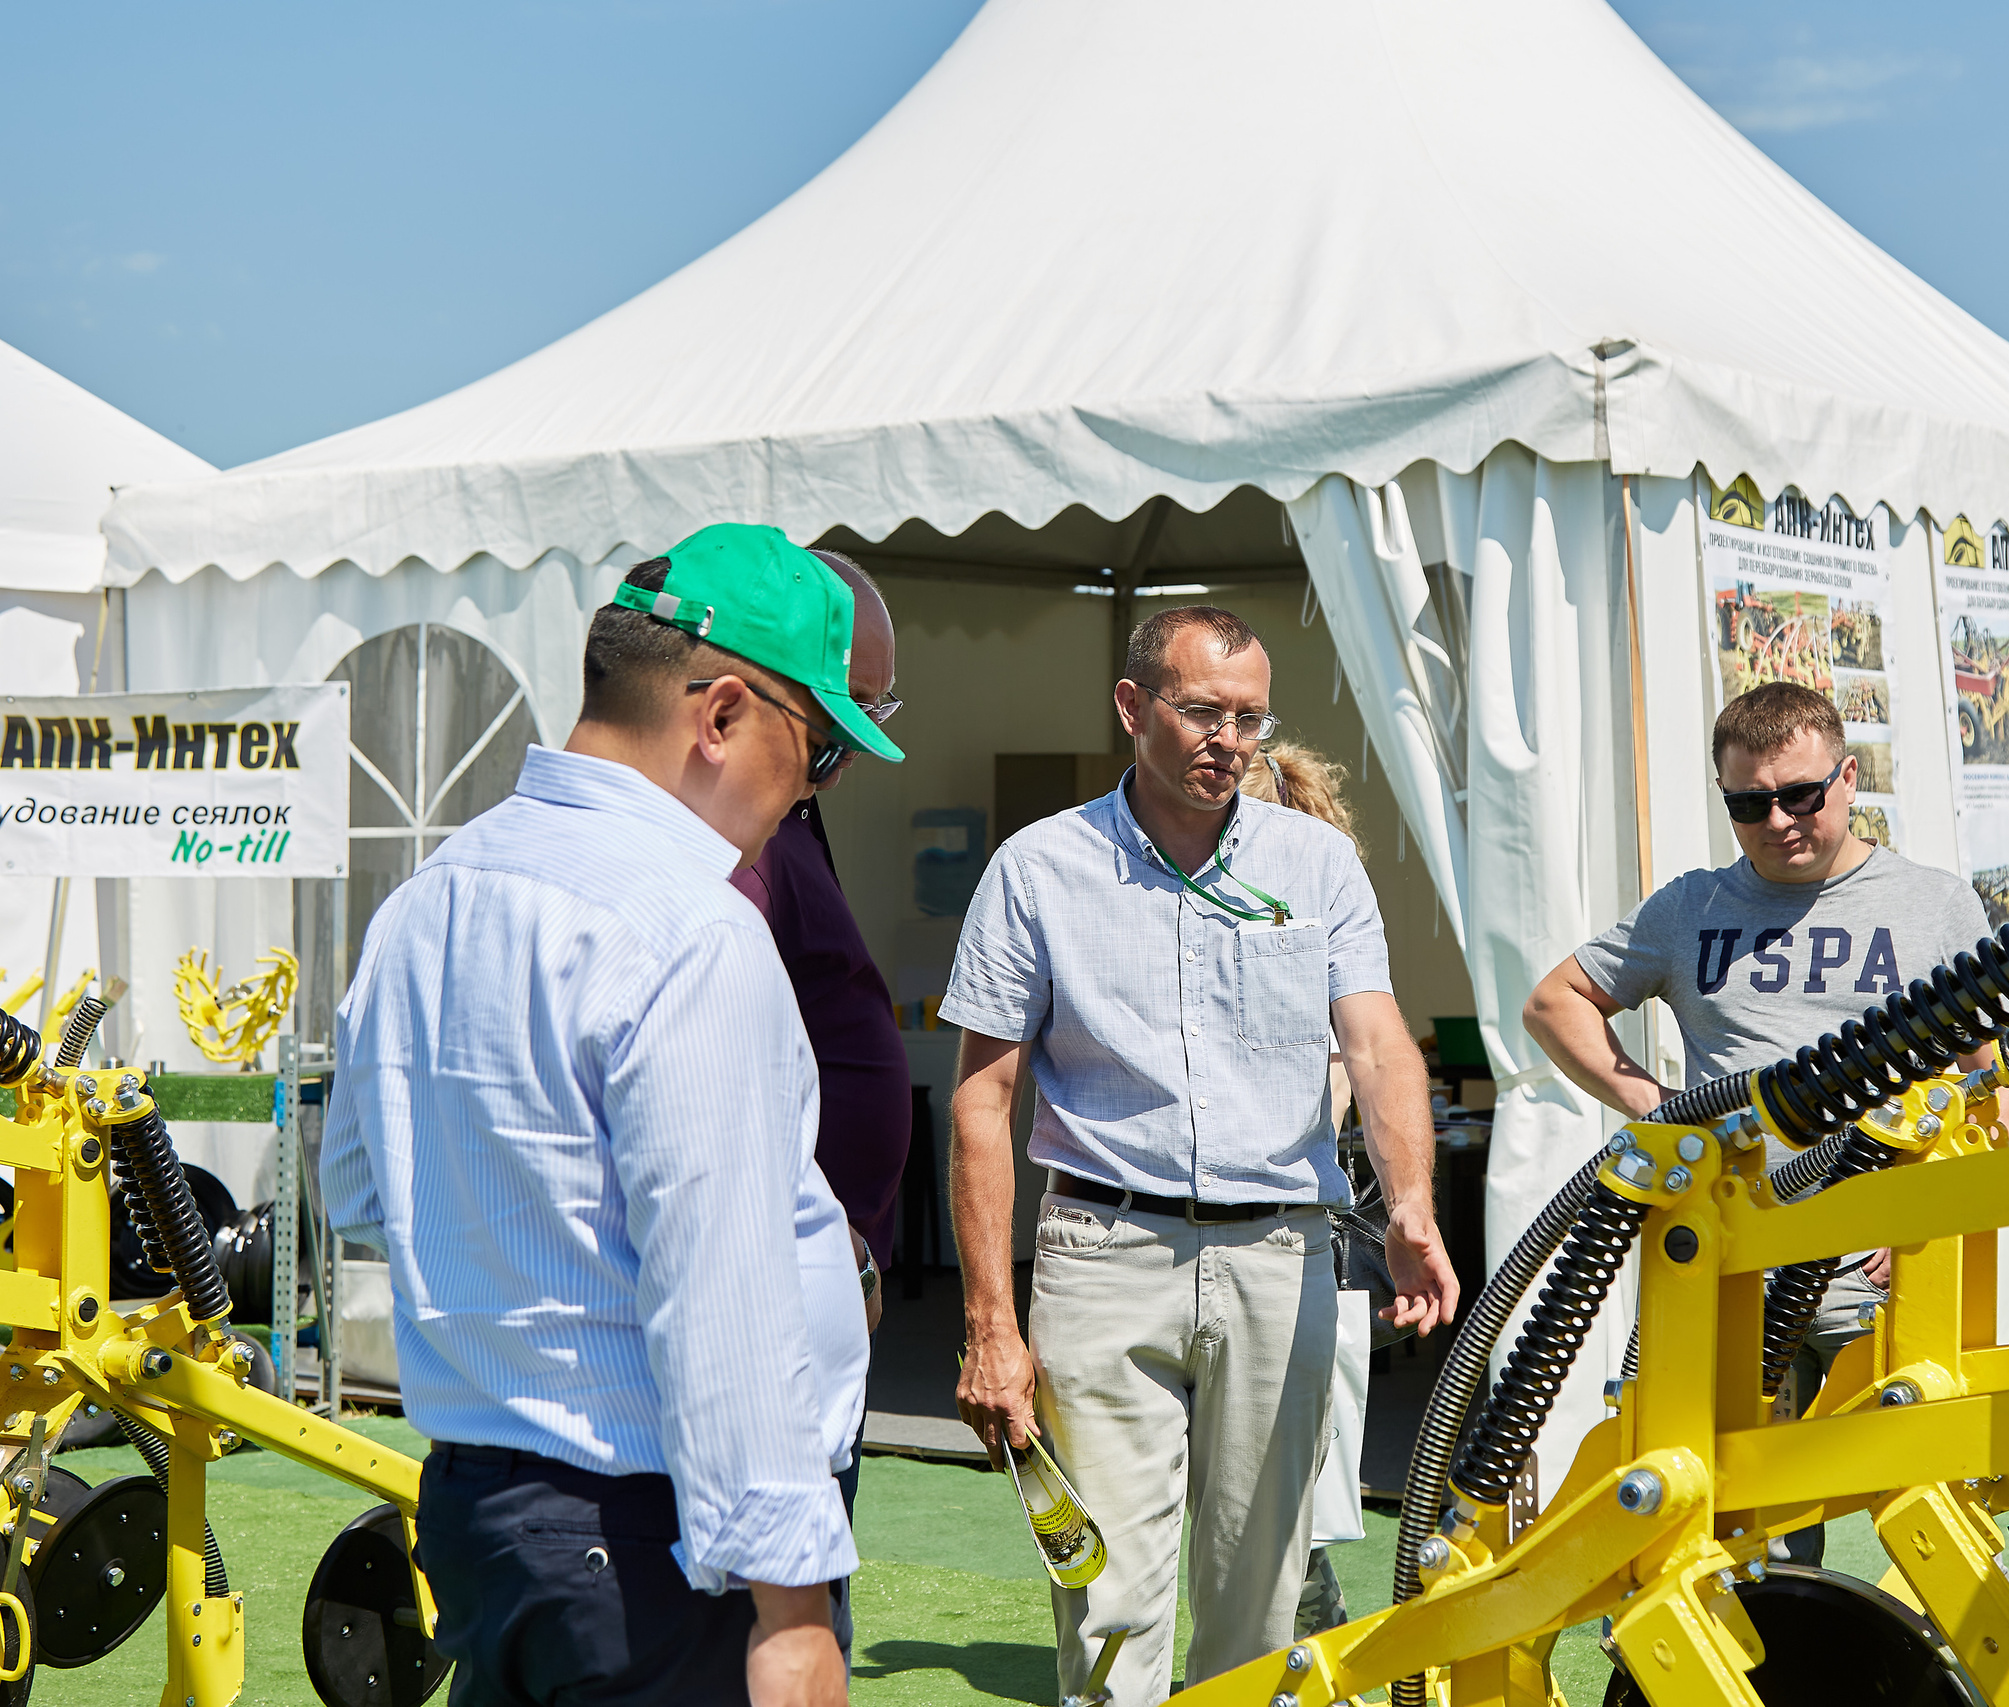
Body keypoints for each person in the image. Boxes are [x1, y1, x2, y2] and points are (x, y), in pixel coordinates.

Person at [320, 523, 904, 1707]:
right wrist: (791, 1609)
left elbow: (362, 1189)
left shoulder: (432, 896)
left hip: (486, 1516)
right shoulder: (692, 928)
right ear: (723, 714)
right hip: (662, 1550)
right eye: (823, 749)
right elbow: (719, 1292)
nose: (808, 797)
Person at [942, 607, 1462, 1707]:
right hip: (1098, 1248)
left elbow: (1375, 1044)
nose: (1229, 739)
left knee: (1260, 1598)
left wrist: (1410, 1205)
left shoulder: (1316, 866)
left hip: (1284, 1251)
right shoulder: (1036, 868)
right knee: (1109, 1605)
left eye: (1249, 718)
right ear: (1132, 708)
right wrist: (990, 1324)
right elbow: (982, 1105)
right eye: (1200, 711)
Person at [1522, 680, 2009, 1565]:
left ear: (1849, 777)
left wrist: (1926, 1208)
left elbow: (2002, 1087)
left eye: (1802, 794)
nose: (1780, 820)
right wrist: (1660, 1111)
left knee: (1932, 1506)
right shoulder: (1692, 907)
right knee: (1720, 1520)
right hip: (1719, 1258)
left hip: (1877, 1267)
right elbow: (1554, 1001)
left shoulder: (1932, 903)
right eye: (1750, 804)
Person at [727, 550, 908, 1511]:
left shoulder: (780, 823)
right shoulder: (736, 850)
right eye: (833, 731)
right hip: (775, 1310)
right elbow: (719, 1078)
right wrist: (843, 1246)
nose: (838, 770)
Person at [1237, 740, 1369, 1640]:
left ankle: (1307, 1655)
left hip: (1294, 1224)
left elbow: (1342, 1074)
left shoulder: (1314, 908)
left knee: (1286, 1479)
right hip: (1281, 1220)